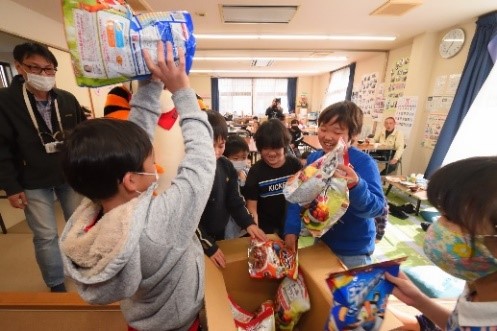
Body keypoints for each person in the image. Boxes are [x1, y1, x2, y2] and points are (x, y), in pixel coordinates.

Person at [59, 42, 216, 331]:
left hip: (140, 318)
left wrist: (150, 85)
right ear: (131, 180)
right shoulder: (159, 225)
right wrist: (183, 90)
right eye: (150, 162)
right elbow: (202, 162)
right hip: (178, 321)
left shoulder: (91, 213)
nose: (154, 166)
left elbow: (133, 138)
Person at [0, 42, 86, 292]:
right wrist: (11, 186)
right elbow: (1, 149)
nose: (44, 75)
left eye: (49, 69)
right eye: (35, 68)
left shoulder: (67, 100)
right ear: (19, 67)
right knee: (46, 235)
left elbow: (82, 137)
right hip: (31, 179)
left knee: (78, 226)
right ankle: (56, 283)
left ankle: (82, 271)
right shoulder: (6, 102)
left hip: (68, 174)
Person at [385, 156, 497, 331]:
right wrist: (419, 300)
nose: (437, 225)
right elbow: (456, 325)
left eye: (451, 218)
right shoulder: (478, 282)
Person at [284, 101, 385, 268]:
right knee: (322, 291)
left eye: (337, 132)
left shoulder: (364, 163)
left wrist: (356, 185)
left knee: (348, 294)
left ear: (354, 135)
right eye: (323, 129)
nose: (327, 136)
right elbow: (298, 197)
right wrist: (291, 229)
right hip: (322, 240)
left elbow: (376, 209)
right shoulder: (315, 159)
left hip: (354, 249)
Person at [196, 110, 266, 268]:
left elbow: (234, 200)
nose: (215, 152)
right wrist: (209, 246)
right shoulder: (192, 172)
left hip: (219, 233)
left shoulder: (226, 166)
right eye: (209, 146)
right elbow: (189, 219)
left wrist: (249, 223)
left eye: (220, 146)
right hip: (199, 240)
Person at [243, 119, 303, 236]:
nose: (271, 153)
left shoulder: (294, 165)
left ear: (284, 146)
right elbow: (252, 207)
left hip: (291, 228)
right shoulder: (255, 172)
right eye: (266, 148)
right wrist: (255, 230)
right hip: (266, 230)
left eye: (276, 148)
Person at [223, 135, 251, 239]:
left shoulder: (248, 173)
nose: (240, 161)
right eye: (235, 158)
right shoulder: (224, 178)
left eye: (244, 158)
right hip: (229, 225)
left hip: (245, 223)